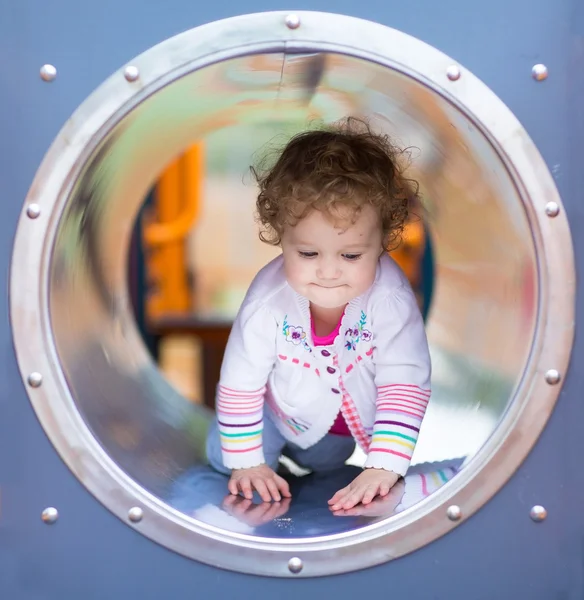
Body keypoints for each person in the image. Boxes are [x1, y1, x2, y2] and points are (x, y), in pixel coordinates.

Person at [205, 117, 431, 511]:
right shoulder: (267, 300)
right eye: (308, 253)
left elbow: (405, 379)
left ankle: (310, 474)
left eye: (351, 255)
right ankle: (262, 464)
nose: (328, 272)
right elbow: (241, 381)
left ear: (383, 241)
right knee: (223, 457)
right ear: (281, 236)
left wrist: (383, 465)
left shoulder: (391, 300)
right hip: (272, 415)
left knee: (331, 469)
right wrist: (248, 462)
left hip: (336, 439)